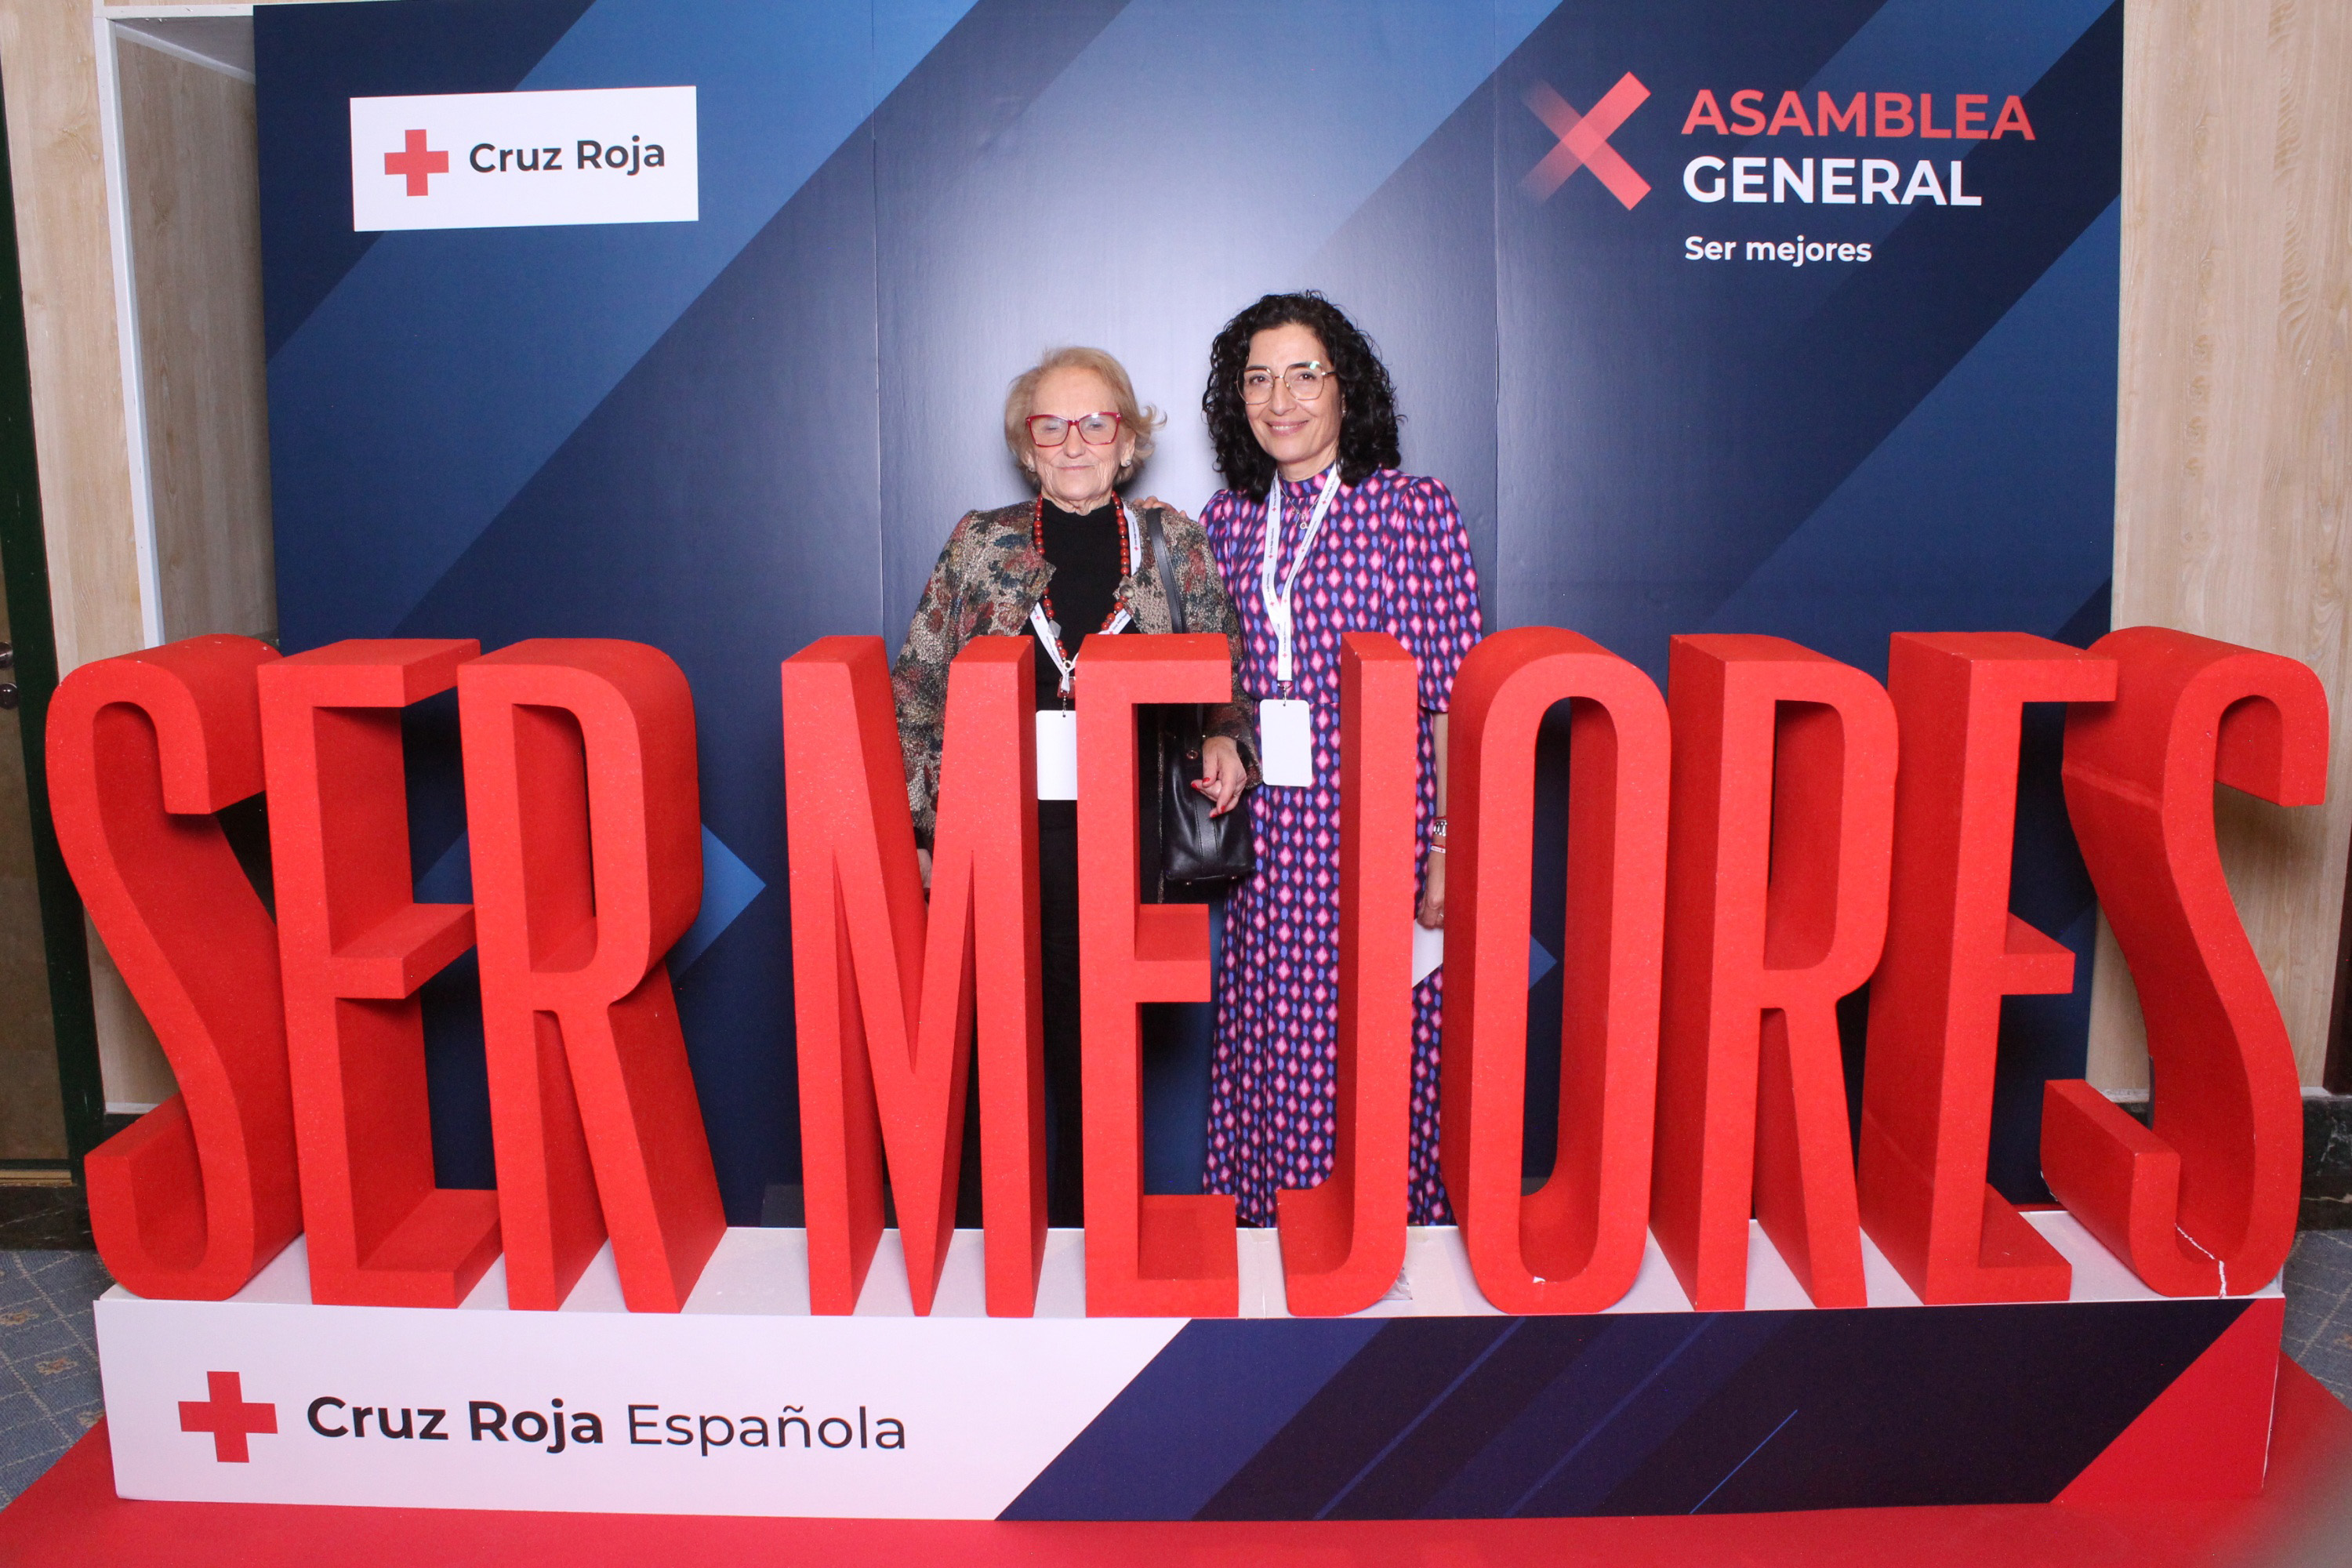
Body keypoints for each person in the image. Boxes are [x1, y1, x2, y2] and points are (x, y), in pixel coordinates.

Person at [892, 346, 1254, 1226]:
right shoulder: (982, 543)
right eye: (1051, 426)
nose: (1075, 443)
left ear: (1127, 441)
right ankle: (990, 1249)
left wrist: (1225, 736)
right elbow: (919, 691)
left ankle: (1095, 1246)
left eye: (1096, 423)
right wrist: (921, 831)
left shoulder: (1174, 545)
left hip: (1123, 839)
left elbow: (1225, 676)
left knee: (1099, 1053)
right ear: (1028, 447)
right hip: (998, 836)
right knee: (993, 1050)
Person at [1196, 292, 1483, 1226]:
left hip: (1378, 833)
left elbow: (1451, 694)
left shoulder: (1411, 510)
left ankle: (1377, 1251)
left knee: (1379, 1042)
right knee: (1273, 1040)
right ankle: (1275, 1233)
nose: (1280, 399)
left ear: (1345, 388)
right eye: (1258, 379)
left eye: (1304, 374)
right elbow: (1217, 678)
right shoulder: (1228, 520)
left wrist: (1447, 842)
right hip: (1268, 840)